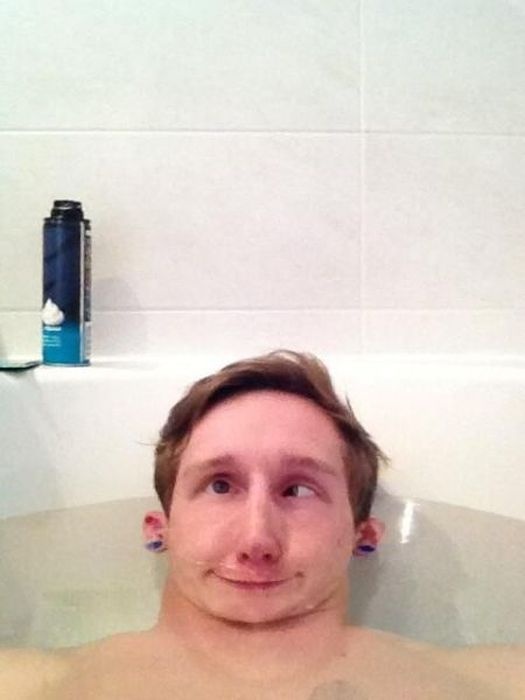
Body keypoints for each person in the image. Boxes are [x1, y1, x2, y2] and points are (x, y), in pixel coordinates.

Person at [1, 350, 524, 699]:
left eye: (298, 490)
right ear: (160, 529)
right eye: (220, 485)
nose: (257, 540)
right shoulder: (26, 682)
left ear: (362, 536)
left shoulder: (492, 680)